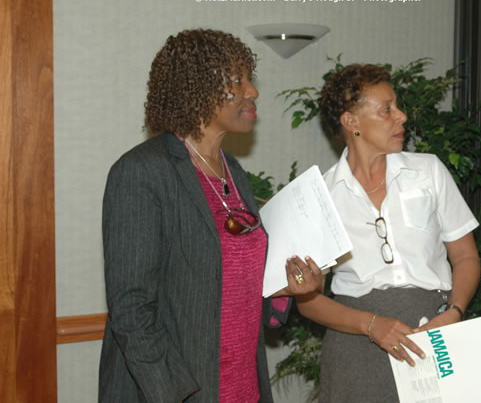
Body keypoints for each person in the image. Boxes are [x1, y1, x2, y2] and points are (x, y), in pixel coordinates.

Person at [98, 29, 321, 403]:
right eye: (238, 80)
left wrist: (285, 290)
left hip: (243, 387)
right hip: (179, 391)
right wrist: (176, 395)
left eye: (249, 79)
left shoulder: (232, 170)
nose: (252, 91)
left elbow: (229, 283)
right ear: (197, 87)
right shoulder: (142, 172)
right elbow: (132, 311)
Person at [294, 64, 481, 403]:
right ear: (352, 122)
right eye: (387, 109)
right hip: (356, 348)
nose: (402, 116)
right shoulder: (320, 197)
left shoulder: (428, 171)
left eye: (397, 106)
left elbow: (466, 256)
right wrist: (370, 325)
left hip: (435, 331)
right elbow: (308, 301)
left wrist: (453, 313)